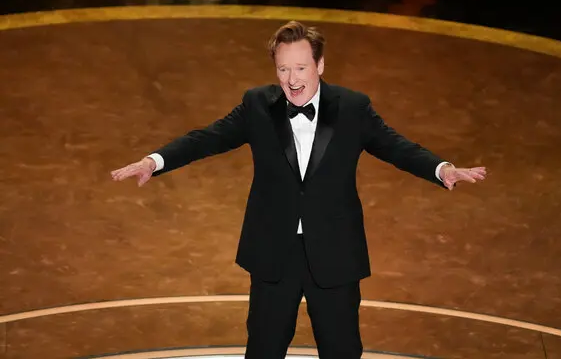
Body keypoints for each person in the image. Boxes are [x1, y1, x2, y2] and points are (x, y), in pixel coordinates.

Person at [111, 20, 486, 358]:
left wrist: (442, 169)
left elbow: (396, 146)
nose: (292, 79)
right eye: (283, 68)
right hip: (275, 254)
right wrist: (153, 161)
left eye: (301, 68)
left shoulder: (352, 108)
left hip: (335, 254)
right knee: (263, 351)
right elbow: (206, 139)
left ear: (320, 65)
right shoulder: (257, 104)